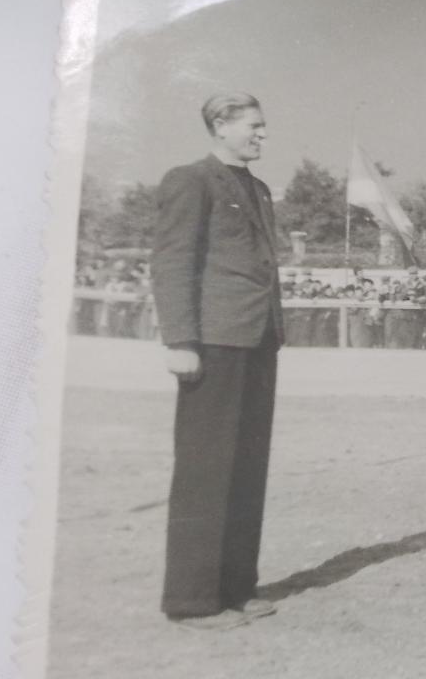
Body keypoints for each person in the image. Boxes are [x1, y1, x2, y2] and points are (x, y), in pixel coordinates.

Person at [152, 92, 283, 630]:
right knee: (206, 470)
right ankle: (191, 600)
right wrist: (180, 340)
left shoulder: (260, 189)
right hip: (213, 342)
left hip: (258, 340)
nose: (261, 134)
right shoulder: (190, 179)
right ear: (221, 125)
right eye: (253, 125)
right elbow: (173, 260)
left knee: (247, 468)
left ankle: (237, 586)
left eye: (262, 125)